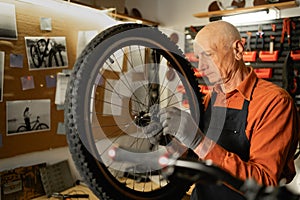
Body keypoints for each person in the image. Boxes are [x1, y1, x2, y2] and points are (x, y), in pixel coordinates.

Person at [146, 21, 299, 200]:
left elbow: (264, 182)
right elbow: (198, 159)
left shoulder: (274, 102)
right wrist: (171, 141)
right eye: (198, 58)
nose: (200, 67)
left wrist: (198, 141)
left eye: (208, 55)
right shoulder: (213, 97)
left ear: (238, 50)